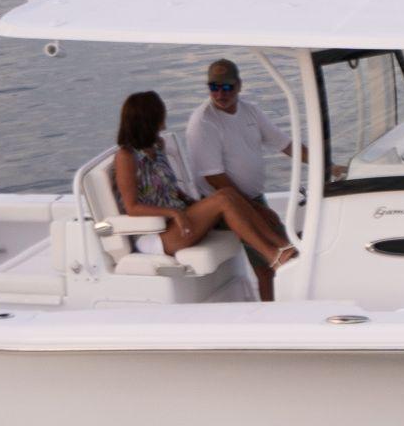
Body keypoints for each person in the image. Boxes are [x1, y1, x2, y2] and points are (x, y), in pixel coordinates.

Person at [112, 90, 296, 299]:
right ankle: (273, 254)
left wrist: (188, 201)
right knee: (224, 199)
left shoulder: (157, 146)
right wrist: (174, 213)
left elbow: (169, 188)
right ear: (149, 117)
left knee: (227, 193)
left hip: (177, 220)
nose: (165, 115)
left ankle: (281, 247)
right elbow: (132, 207)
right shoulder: (126, 156)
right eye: (161, 111)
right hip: (156, 235)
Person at [185, 58, 340, 205]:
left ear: (239, 85)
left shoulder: (251, 111)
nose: (220, 94)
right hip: (226, 203)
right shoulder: (203, 122)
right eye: (214, 87)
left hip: (252, 199)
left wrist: (328, 166)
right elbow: (214, 177)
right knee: (275, 231)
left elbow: (288, 146)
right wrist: (251, 207)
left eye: (227, 87)